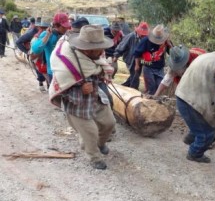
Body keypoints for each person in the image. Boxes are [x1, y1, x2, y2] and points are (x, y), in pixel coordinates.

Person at [49, 25, 116, 170]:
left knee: (109, 123)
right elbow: (60, 87)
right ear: (87, 49)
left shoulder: (95, 57)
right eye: (99, 48)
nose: (102, 51)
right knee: (90, 132)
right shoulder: (66, 61)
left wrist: (103, 75)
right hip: (76, 103)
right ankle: (94, 157)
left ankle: (99, 143)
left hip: (95, 97)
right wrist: (80, 89)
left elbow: (99, 67)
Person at [175, 49, 215, 163]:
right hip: (192, 101)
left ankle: (190, 139)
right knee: (208, 134)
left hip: (182, 96)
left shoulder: (207, 56)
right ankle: (195, 153)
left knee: (198, 125)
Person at [31, 12, 70, 83]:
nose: (66, 28)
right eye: (63, 26)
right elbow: (36, 49)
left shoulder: (67, 34)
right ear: (56, 25)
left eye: (66, 26)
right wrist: (47, 36)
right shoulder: (47, 34)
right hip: (53, 72)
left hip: (67, 72)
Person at [134, 24, 172, 95]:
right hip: (148, 67)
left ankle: (156, 102)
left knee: (159, 87)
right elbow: (137, 53)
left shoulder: (166, 42)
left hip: (160, 68)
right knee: (151, 88)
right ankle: (149, 102)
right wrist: (137, 65)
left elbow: (172, 53)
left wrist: (170, 45)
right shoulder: (145, 41)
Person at [113, 21, 149, 89]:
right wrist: (116, 55)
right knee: (135, 74)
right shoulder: (130, 36)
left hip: (140, 59)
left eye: (144, 34)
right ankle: (134, 89)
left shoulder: (145, 38)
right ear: (138, 31)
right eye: (142, 34)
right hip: (131, 59)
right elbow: (121, 46)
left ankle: (123, 87)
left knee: (135, 75)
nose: (143, 35)